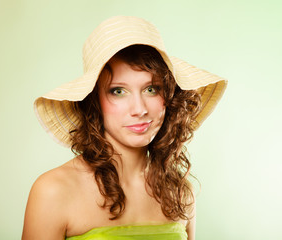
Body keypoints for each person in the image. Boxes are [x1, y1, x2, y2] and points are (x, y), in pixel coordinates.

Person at [22, 16, 227, 240]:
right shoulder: (53, 191)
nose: (139, 109)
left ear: (169, 96)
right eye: (118, 91)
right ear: (94, 101)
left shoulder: (180, 192)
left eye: (152, 89)